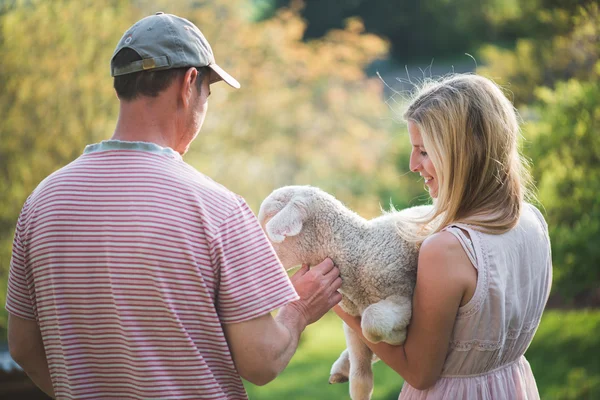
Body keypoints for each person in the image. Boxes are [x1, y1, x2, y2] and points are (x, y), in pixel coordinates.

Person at [6, 12, 342, 399]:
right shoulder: (217, 208)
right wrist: (299, 312)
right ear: (188, 84)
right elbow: (261, 361)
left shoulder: (42, 202)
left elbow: (24, 347)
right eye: (207, 94)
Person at [334, 74, 552, 399]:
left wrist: (344, 304)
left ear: (463, 153)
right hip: (512, 387)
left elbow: (420, 372)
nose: (412, 165)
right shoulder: (532, 222)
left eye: (423, 151)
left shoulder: (447, 250)